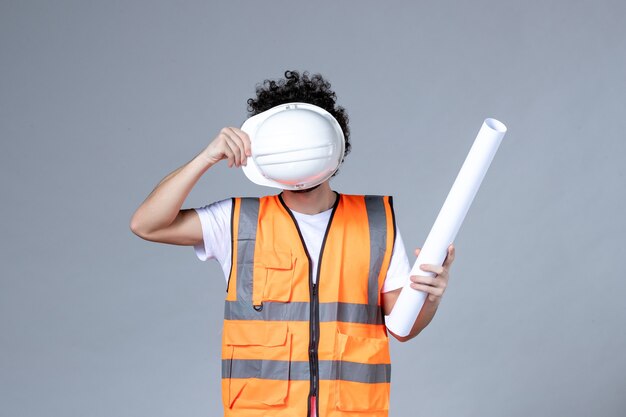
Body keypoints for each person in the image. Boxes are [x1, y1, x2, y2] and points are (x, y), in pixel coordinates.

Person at [130, 70, 455, 417]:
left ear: (333, 141)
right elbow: (145, 224)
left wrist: (431, 297)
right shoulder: (236, 221)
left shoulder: (375, 221)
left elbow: (402, 329)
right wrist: (205, 158)